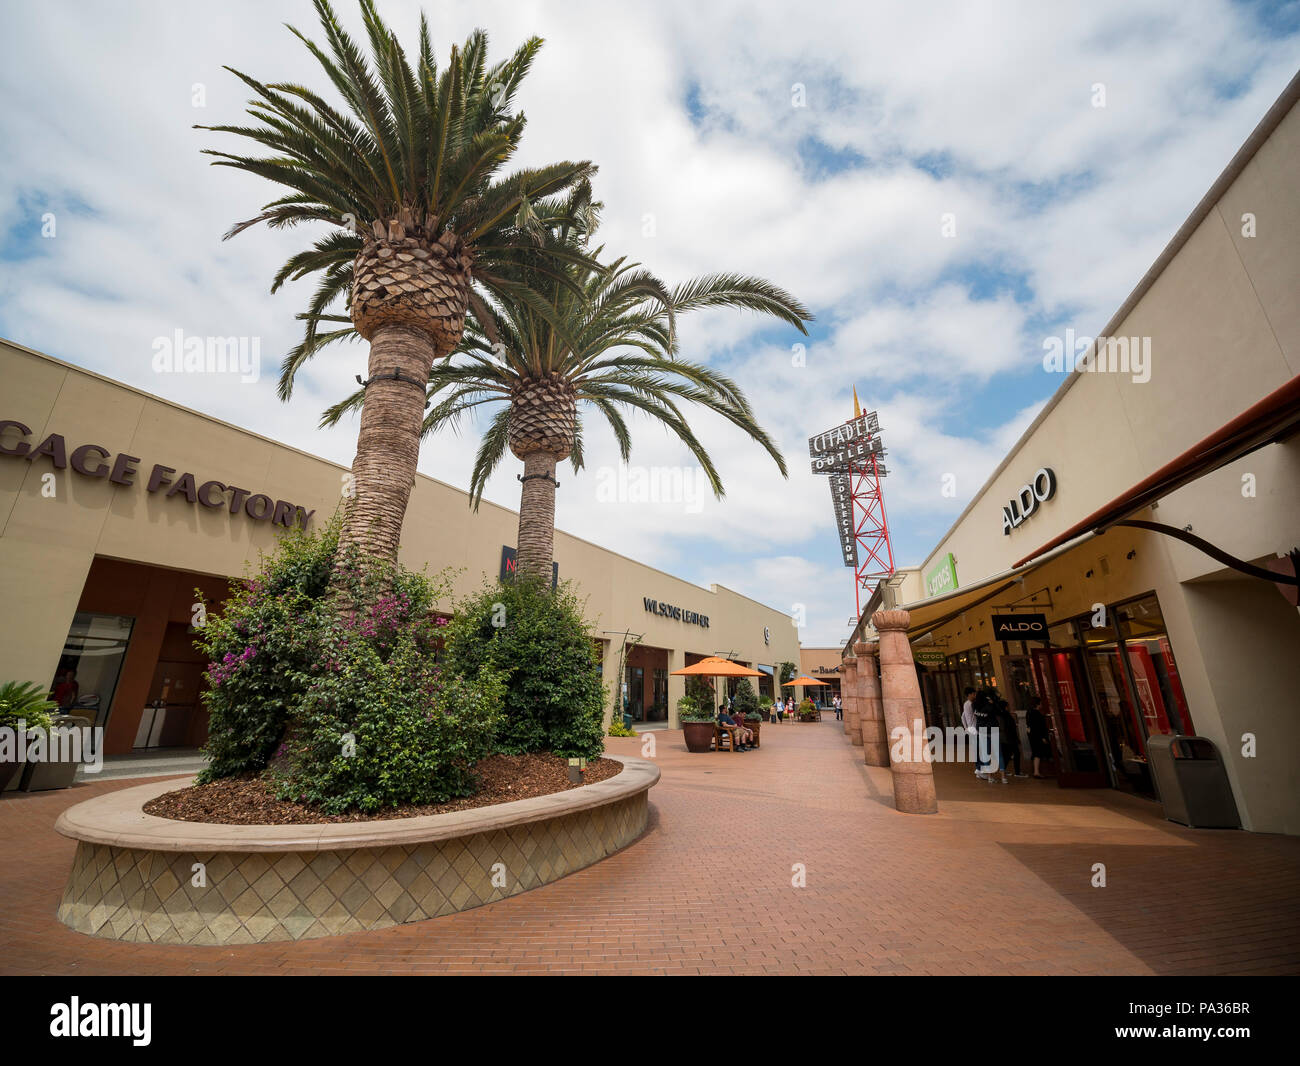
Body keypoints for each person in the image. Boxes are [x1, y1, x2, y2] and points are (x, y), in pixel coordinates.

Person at [973, 689, 1003, 782]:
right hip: (992, 729)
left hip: (981, 730)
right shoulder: (989, 705)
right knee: (998, 753)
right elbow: (999, 712)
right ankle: (1003, 777)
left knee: (986, 754)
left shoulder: (974, 705)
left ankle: (990, 777)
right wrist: (993, 703)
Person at [995, 695, 1025, 779]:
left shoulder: (1000, 715)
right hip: (1009, 738)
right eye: (1008, 706)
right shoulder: (1006, 716)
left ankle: (1003, 769)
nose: (1009, 707)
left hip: (1003, 739)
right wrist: (1016, 739)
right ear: (1005, 707)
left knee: (1007, 755)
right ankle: (1017, 772)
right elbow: (1009, 728)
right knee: (1016, 753)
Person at [1026, 696, 1052, 778]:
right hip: (1038, 736)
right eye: (1040, 703)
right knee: (1038, 753)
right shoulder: (1036, 713)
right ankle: (1036, 772)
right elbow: (1038, 726)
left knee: (1036, 753)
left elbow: (1030, 726)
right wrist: (1043, 737)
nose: (1041, 705)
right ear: (1038, 704)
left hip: (1032, 736)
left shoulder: (1029, 712)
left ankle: (1036, 771)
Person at [960, 687, 978, 774]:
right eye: (973, 694)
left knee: (976, 749)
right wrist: (966, 727)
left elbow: (962, 717)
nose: (975, 695)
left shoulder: (966, 704)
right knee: (978, 749)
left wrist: (966, 727)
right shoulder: (970, 704)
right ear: (969, 694)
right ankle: (978, 768)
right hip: (974, 729)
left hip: (971, 728)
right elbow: (963, 717)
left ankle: (978, 768)